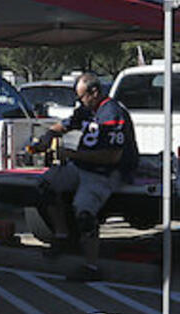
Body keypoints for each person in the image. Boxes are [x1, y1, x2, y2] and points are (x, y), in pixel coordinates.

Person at [35, 71, 138, 281]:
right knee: (45, 185)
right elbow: (65, 124)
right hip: (82, 165)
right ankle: (62, 236)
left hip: (105, 171)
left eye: (82, 97)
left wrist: (73, 154)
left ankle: (91, 265)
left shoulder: (112, 113)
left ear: (94, 92)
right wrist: (48, 136)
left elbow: (111, 156)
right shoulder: (86, 109)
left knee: (84, 211)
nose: (79, 102)